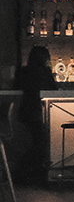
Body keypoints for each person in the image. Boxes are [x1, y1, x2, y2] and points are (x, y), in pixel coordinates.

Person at [12, 46, 58, 184]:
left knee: (38, 143)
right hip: (37, 111)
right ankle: (24, 174)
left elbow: (17, 87)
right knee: (41, 143)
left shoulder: (23, 71)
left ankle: (24, 173)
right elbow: (53, 90)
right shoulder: (45, 72)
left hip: (26, 110)